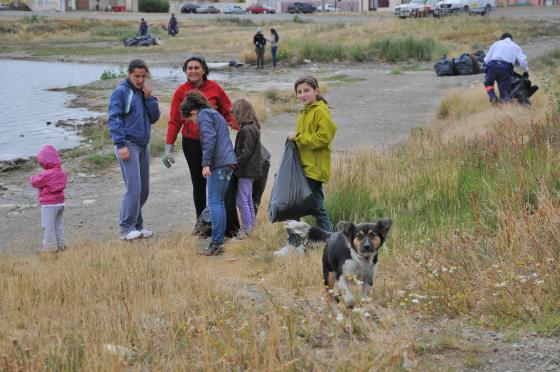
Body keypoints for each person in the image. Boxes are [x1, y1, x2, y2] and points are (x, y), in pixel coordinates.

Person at [162, 55, 240, 234]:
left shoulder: (215, 88)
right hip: (192, 144)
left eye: (197, 67)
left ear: (204, 70)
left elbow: (228, 112)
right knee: (199, 185)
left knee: (221, 185)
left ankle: (229, 227)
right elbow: (175, 121)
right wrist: (169, 146)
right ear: (185, 71)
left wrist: (241, 128)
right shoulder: (180, 92)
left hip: (216, 146)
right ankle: (203, 226)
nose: (193, 71)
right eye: (190, 68)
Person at [273, 75, 337, 257]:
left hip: (314, 170)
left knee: (293, 206)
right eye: (299, 92)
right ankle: (331, 244)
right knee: (317, 208)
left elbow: (323, 139)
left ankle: (295, 246)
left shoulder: (320, 111)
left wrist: (297, 137)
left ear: (317, 91)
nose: (302, 95)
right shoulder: (304, 112)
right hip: (304, 169)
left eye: (306, 90)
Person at [108, 59, 160, 241]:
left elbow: (154, 118)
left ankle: (138, 226)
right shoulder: (121, 92)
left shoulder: (143, 92)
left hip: (144, 146)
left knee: (144, 190)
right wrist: (120, 144)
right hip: (128, 145)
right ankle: (125, 228)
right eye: (137, 76)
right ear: (130, 74)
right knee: (134, 189)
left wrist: (149, 99)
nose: (140, 80)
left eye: (143, 76)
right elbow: (114, 118)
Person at [180, 92, 237, 256]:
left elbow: (209, 139)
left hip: (219, 163)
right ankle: (219, 239)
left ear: (193, 112)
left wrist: (206, 163)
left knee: (215, 202)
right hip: (228, 162)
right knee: (219, 202)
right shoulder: (214, 113)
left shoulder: (204, 116)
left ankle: (217, 243)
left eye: (191, 119)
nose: (193, 122)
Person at [231, 99, 263, 239]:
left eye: (235, 113)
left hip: (247, 171)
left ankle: (247, 229)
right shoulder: (252, 127)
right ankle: (252, 226)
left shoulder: (247, 129)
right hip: (250, 170)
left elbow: (246, 152)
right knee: (248, 198)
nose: (233, 116)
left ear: (241, 113)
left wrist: (234, 163)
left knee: (241, 199)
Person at [30, 145, 68, 252]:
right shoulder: (61, 172)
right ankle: (62, 246)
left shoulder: (46, 174)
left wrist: (32, 177)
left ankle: (50, 250)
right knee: (58, 226)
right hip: (60, 203)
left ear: (45, 161)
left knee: (48, 227)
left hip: (49, 205)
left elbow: (34, 182)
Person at [484, 33, 529, 104]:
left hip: (492, 65)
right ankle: (505, 107)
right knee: (505, 94)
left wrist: (488, 69)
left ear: (501, 39)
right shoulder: (515, 46)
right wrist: (526, 71)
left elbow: (486, 60)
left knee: (488, 83)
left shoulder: (496, 44)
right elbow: (523, 61)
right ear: (511, 39)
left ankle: (492, 97)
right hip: (505, 68)